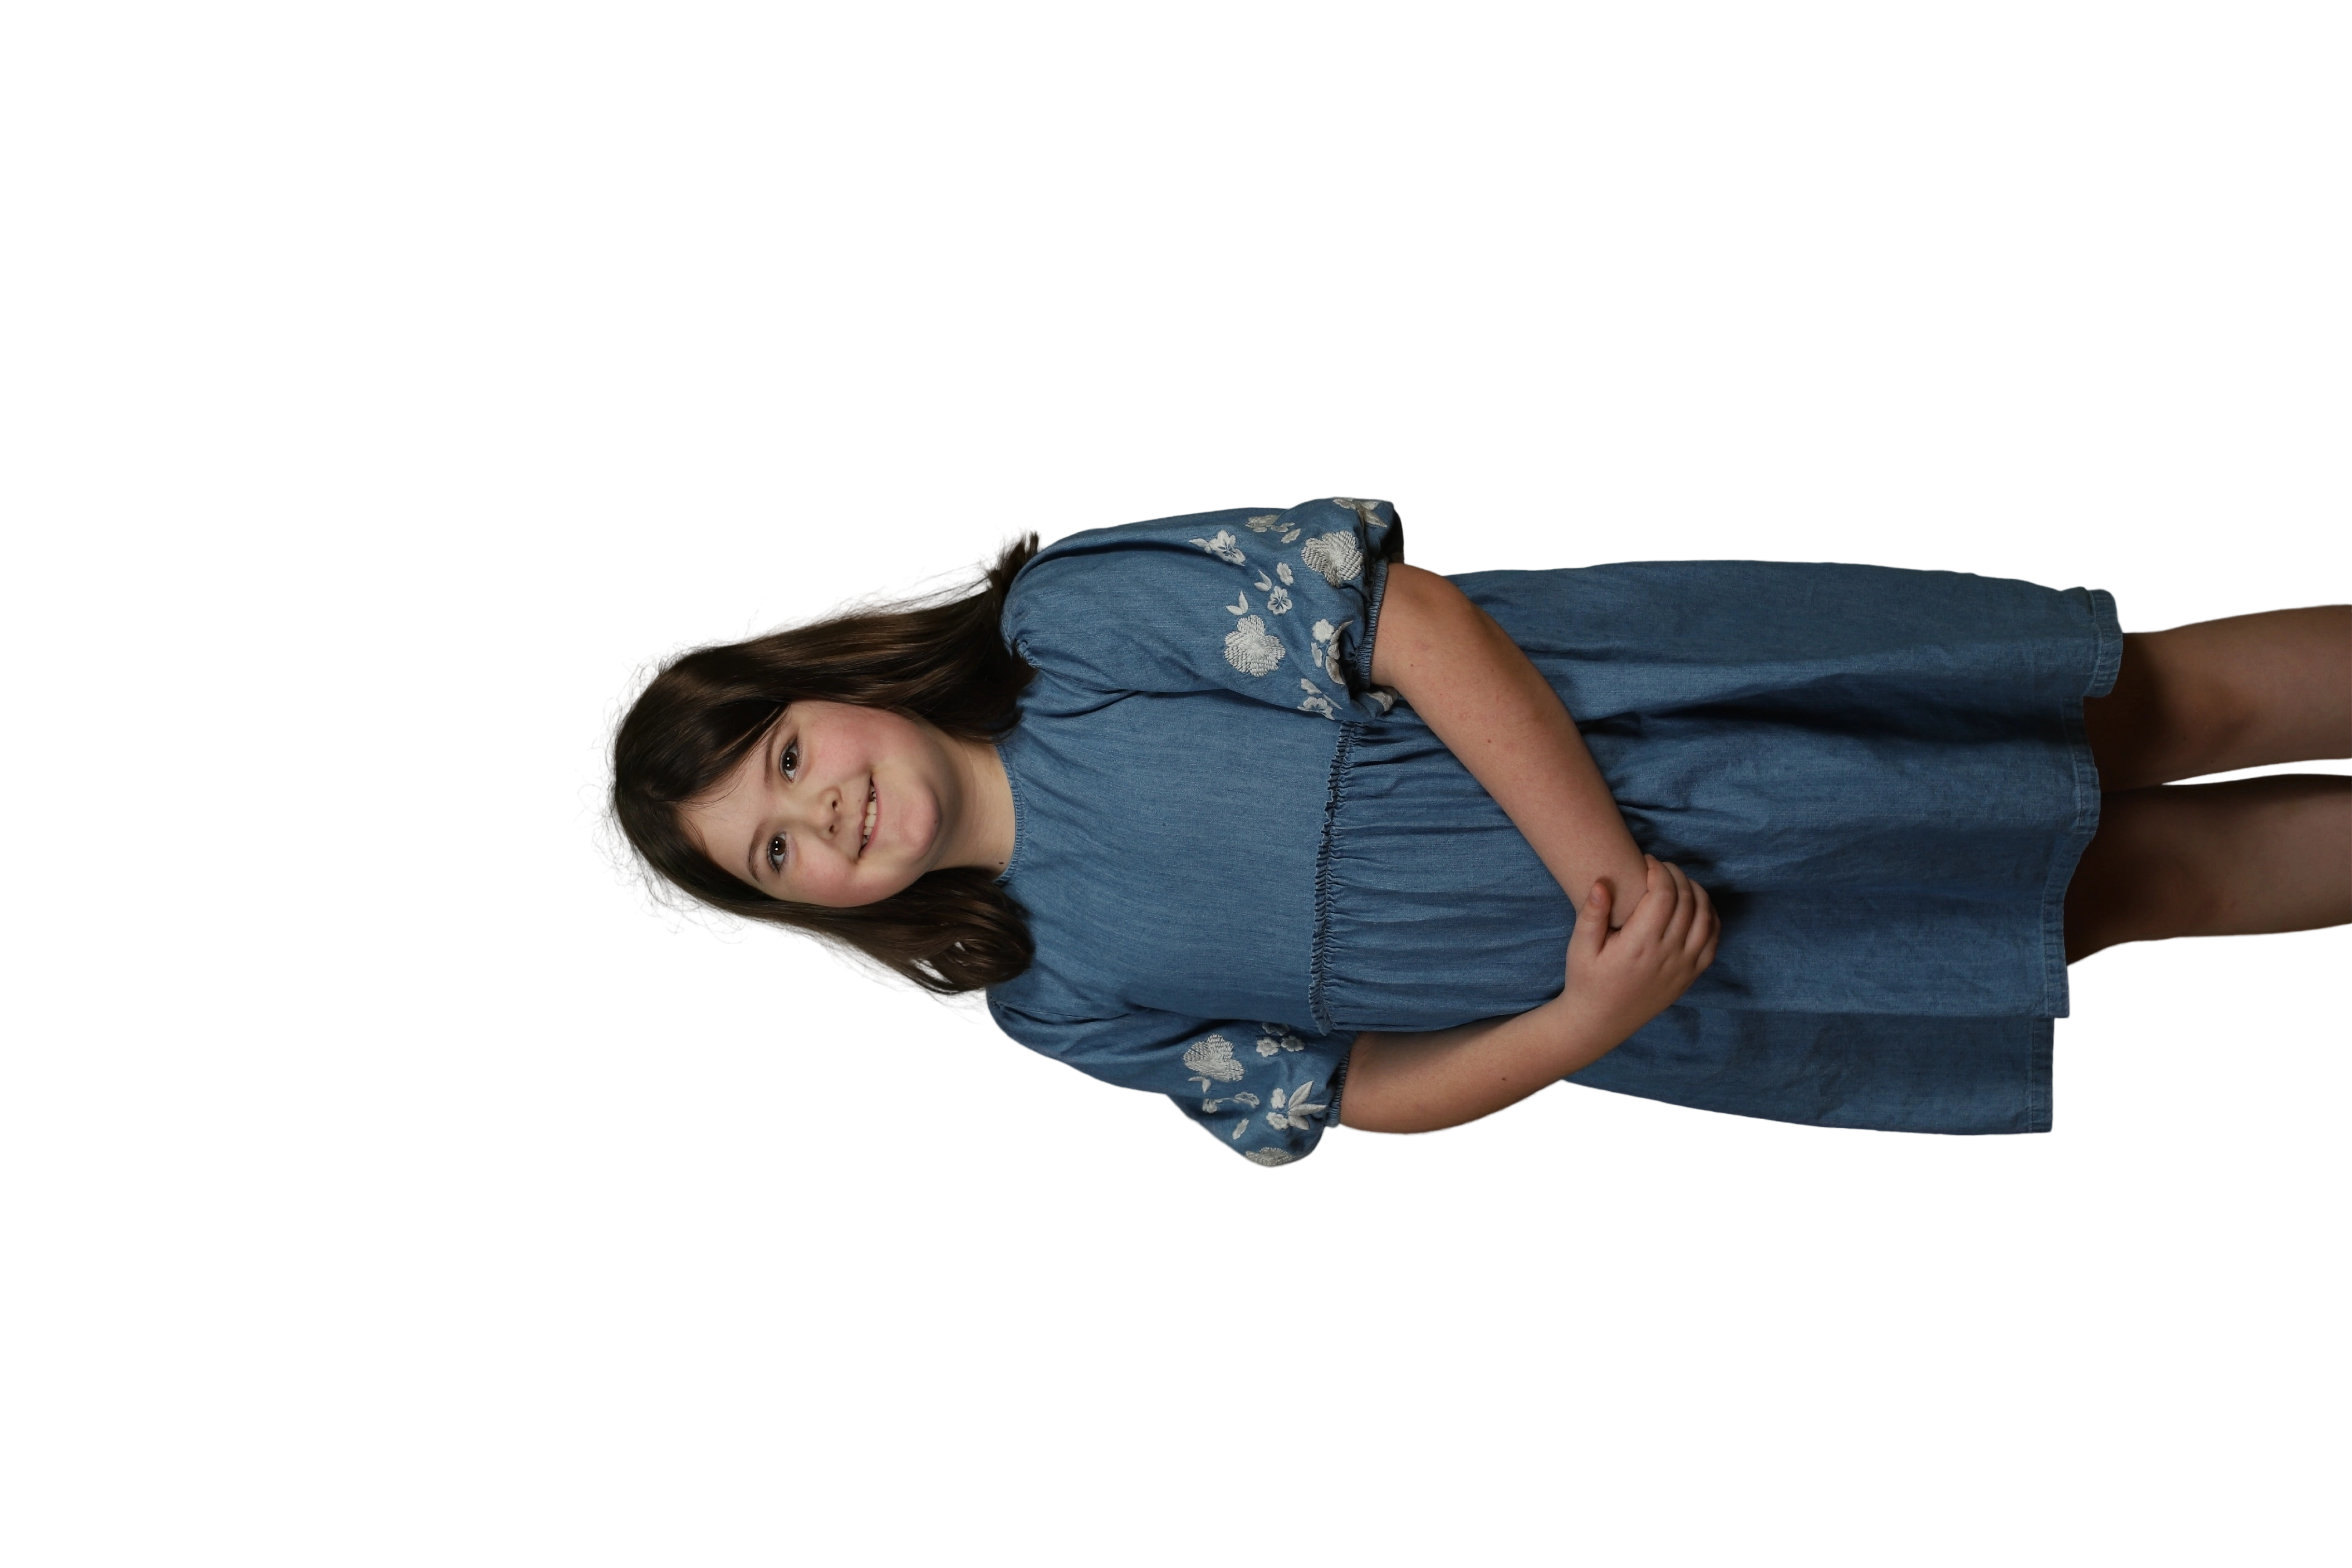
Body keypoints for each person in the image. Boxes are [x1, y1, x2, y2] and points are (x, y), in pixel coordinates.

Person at [573, 495, 2352, 1168]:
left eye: (787, 758)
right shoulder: (1041, 990)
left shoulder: (1074, 631)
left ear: (827, 678)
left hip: (1663, 735)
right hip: (1682, 970)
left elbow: (1407, 624)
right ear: (801, 913)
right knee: (2129, 888)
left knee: (2148, 713)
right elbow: (1345, 1092)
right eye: (776, 852)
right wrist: (1589, 1012)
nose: (822, 812)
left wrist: (1600, 865)